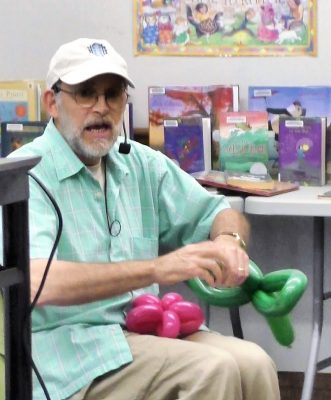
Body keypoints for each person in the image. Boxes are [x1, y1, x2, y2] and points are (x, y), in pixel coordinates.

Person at [9, 38, 280, 400]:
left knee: (255, 363)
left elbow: (221, 212)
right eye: (86, 94)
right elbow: (38, 282)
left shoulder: (139, 162)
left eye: (113, 94)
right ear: (52, 103)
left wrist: (229, 241)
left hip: (143, 330)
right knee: (211, 369)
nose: (102, 108)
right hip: (69, 354)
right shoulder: (28, 174)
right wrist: (156, 269)